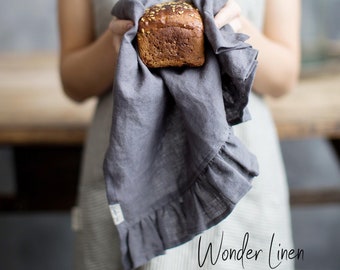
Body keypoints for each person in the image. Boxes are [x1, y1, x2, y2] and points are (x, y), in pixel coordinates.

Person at [58, 0, 300, 269]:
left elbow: (284, 76)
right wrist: (117, 44)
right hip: (129, 165)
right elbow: (72, 80)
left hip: (231, 165)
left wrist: (234, 30)